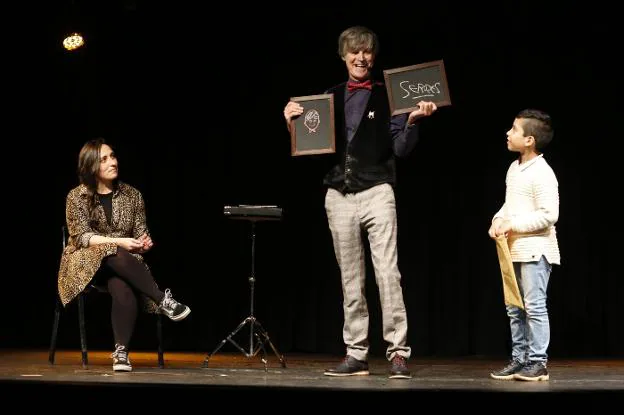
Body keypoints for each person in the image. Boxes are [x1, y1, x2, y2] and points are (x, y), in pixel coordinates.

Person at [283, 26, 438, 379]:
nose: (361, 57)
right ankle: (356, 353)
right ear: (343, 56)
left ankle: (398, 353)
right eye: (354, 51)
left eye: (367, 51)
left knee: (387, 274)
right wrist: (291, 123)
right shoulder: (328, 96)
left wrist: (412, 120)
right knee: (350, 279)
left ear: (374, 56)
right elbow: (312, 150)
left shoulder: (391, 95)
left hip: (377, 191)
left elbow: (400, 148)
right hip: (338, 195)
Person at [57, 138, 191, 372]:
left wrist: (144, 243)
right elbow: (83, 238)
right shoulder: (76, 197)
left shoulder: (133, 195)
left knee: (121, 285)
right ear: (90, 167)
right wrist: (119, 242)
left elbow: (140, 232)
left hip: (123, 267)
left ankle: (121, 353)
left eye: (113, 156)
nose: (113, 162)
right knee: (111, 250)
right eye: (104, 159)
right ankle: (162, 299)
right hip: (83, 264)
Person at [488, 109, 560, 382]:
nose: (508, 133)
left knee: (534, 307)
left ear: (529, 140)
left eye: (514, 130)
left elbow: (549, 215)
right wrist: (498, 219)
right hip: (514, 250)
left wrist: (513, 225)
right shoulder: (514, 168)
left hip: (536, 250)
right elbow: (512, 205)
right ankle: (520, 358)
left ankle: (538, 362)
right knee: (514, 307)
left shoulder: (542, 172)